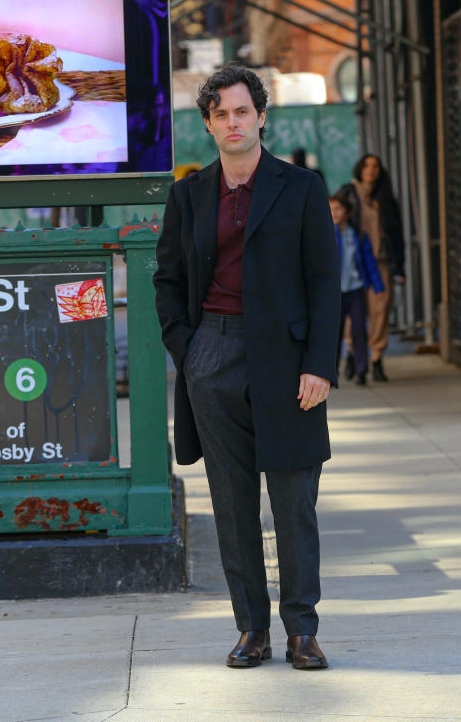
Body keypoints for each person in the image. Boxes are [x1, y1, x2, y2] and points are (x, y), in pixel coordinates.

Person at [154, 65, 339, 670]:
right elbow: (169, 281)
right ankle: (251, 630)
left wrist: (319, 365)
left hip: (287, 364)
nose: (232, 123)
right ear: (207, 124)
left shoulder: (302, 188)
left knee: (294, 502)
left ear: (262, 117)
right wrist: (189, 350)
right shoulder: (188, 194)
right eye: (220, 114)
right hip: (213, 354)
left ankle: (301, 632)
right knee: (232, 507)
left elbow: (324, 283)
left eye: (242, 111)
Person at [338, 154, 404, 382]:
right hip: (354, 263)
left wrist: (400, 267)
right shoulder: (348, 192)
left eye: (376, 166)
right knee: (352, 313)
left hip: (381, 262)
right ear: (359, 168)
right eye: (367, 165)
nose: (371, 170)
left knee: (381, 309)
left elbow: (396, 233)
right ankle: (354, 354)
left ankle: (376, 356)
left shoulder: (384, 198)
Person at [330, 193, 384, 385]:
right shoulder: (324, 234)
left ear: (348, 212)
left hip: (354, 290)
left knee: (359, 331)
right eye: (330, 209)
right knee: (333, 333)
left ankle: (362, 370)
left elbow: (368, 262)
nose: (334, 213)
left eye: (338, 209)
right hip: (334, 293)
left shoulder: (357, 235)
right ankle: (331, 371)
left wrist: (377, 285)